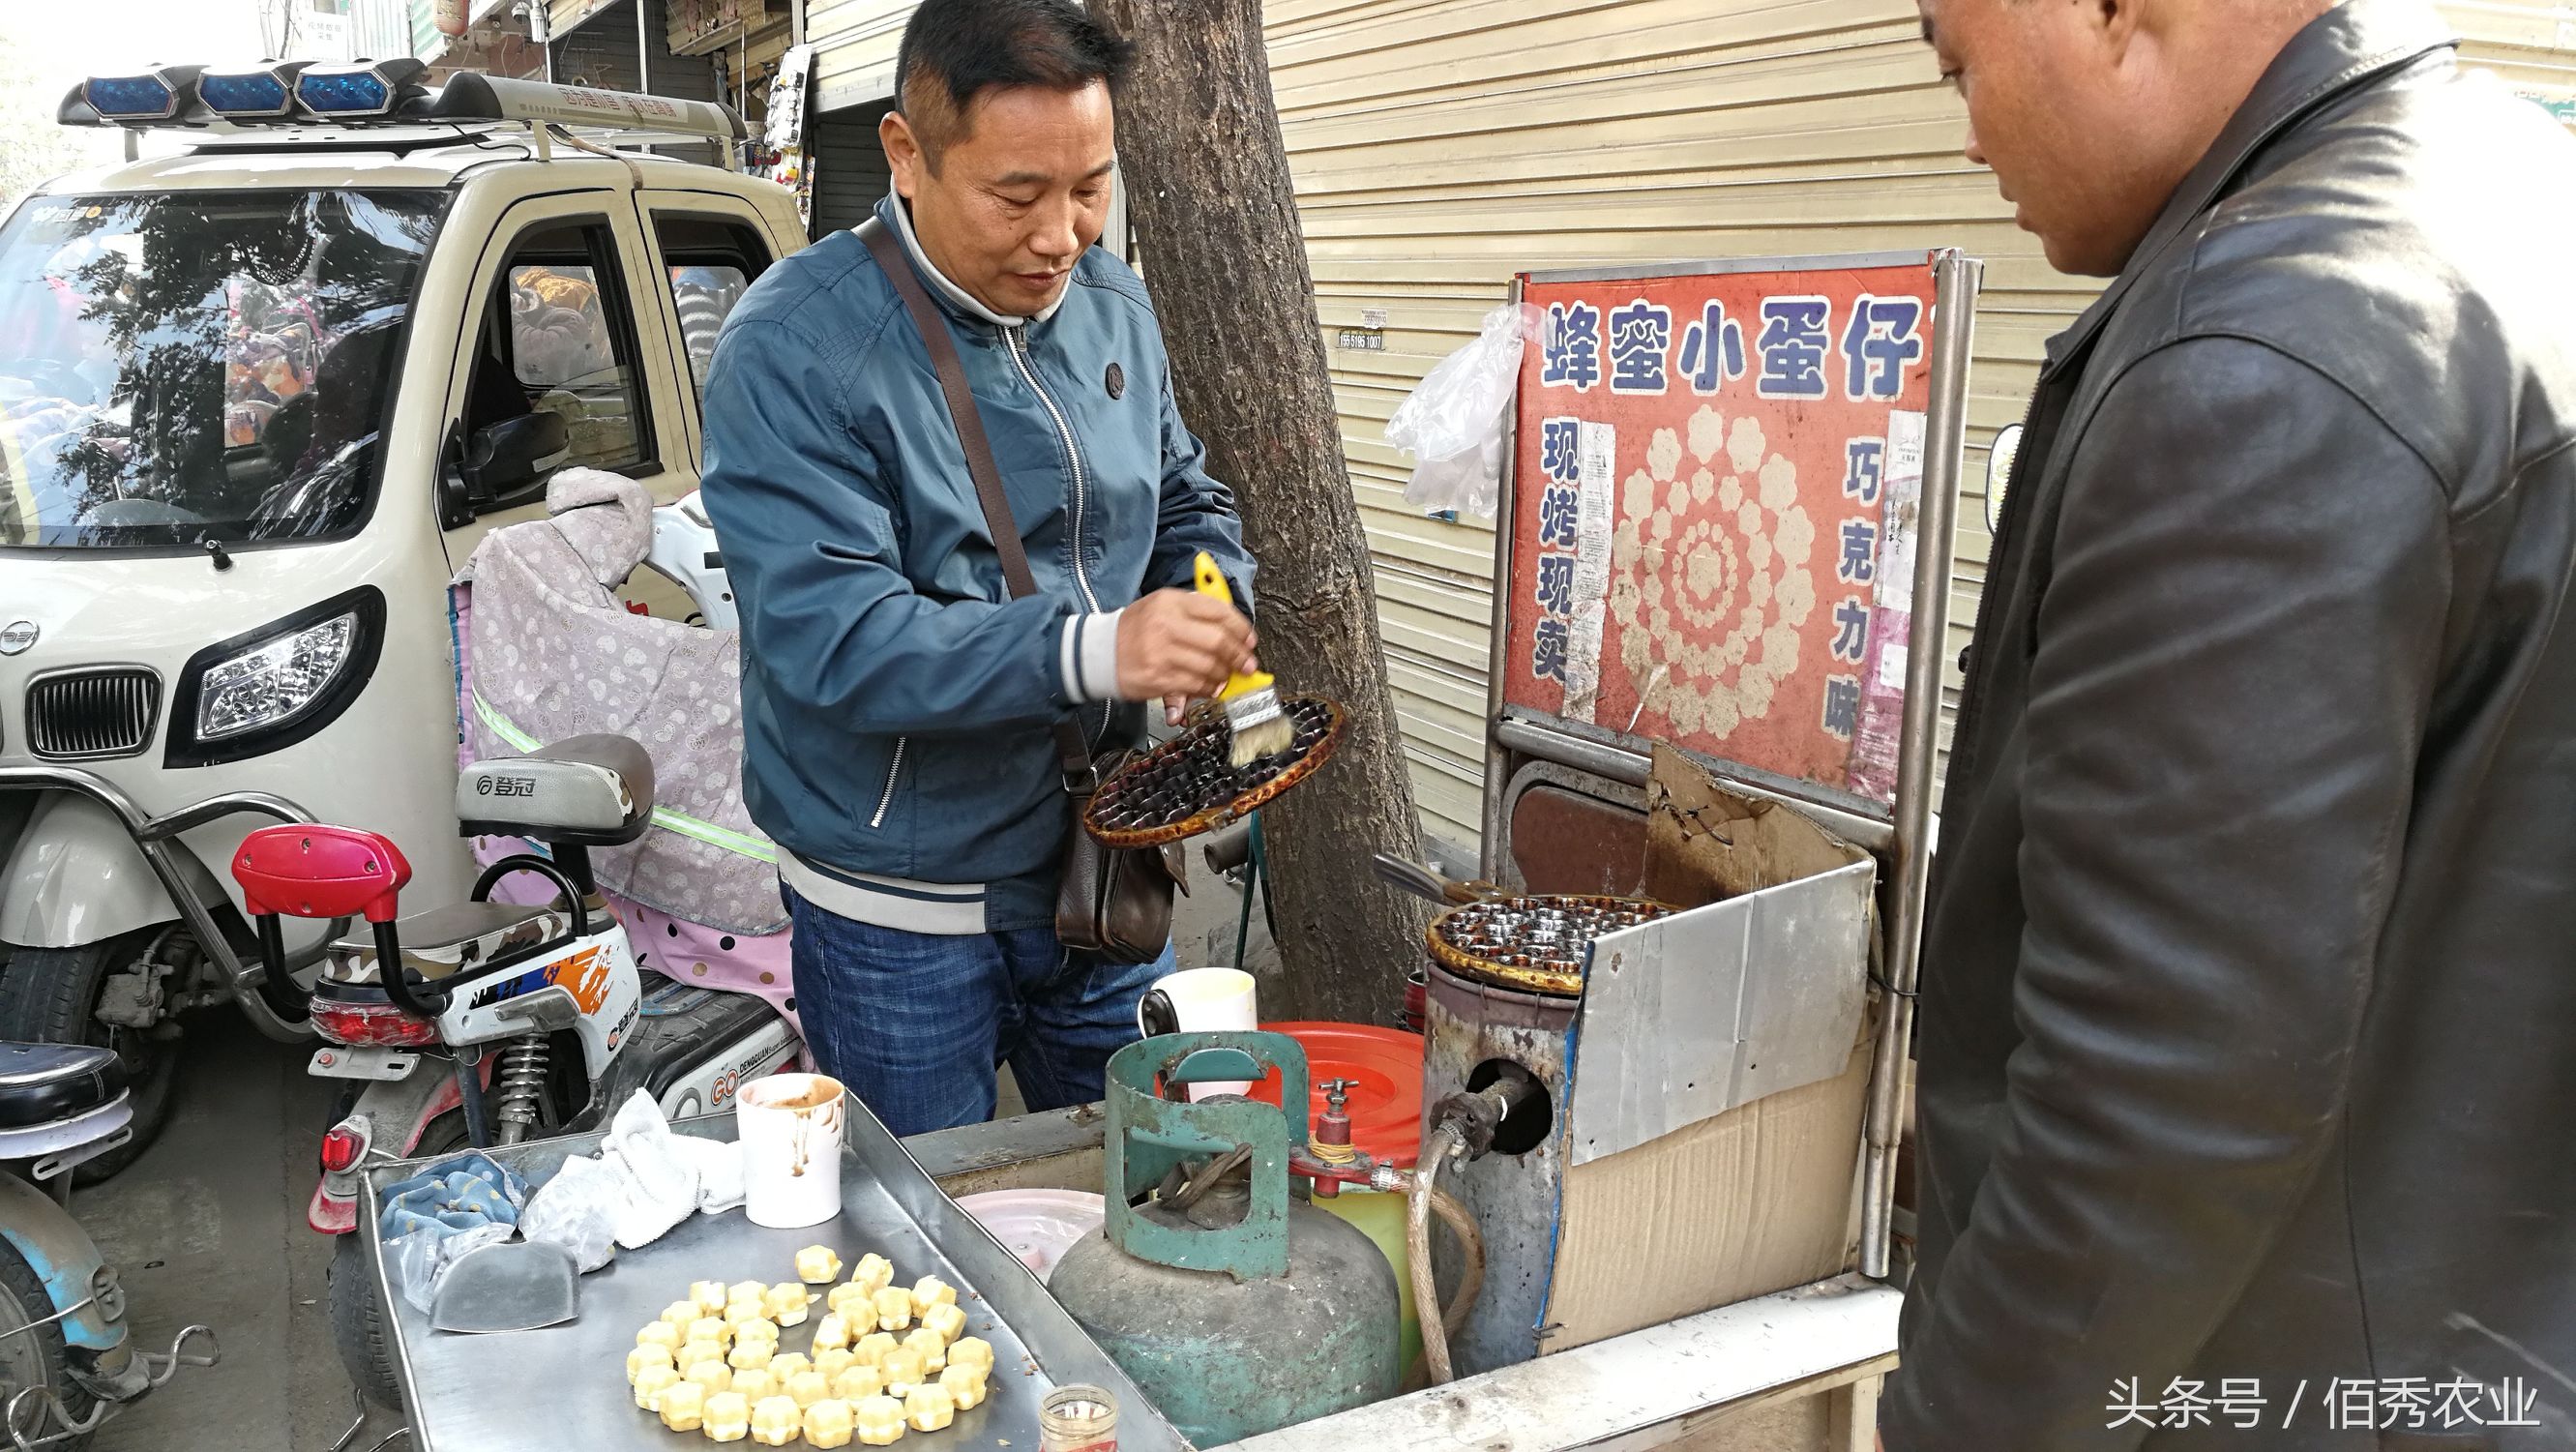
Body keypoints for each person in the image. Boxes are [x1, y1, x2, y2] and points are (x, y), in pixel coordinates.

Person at [1886, 1, 2576, 1447]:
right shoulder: (2515, 189)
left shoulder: (2253, 356)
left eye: (1957, 65)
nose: (1966, 135)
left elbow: (2152, 1111)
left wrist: (1955, 1421)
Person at [697, 0, 1260, 1137]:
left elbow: (1185, 498)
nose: (1062, 235)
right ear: (907, 154)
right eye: (1018, 195)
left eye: (1091, 187)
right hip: (896, 913)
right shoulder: (793, 347)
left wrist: (1209, 609)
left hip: (1100, 868)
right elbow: (835, 638)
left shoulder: (1113, 306)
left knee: (1156, 1189)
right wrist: (1103, 647)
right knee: (923, 1246)